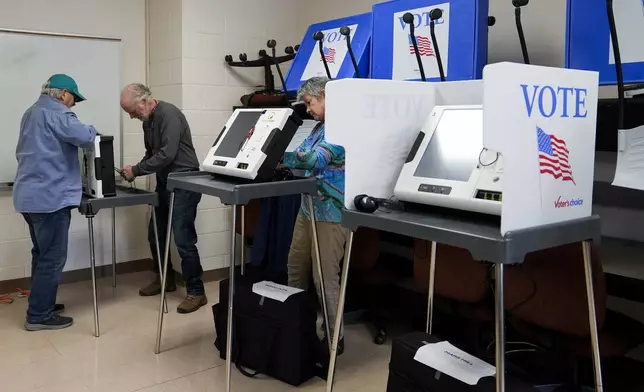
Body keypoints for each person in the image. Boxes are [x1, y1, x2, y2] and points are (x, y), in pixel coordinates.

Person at [14, 74, 97, 331]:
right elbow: (85, 137)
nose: (73, 104)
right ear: (62, 94)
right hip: (50, 199)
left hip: (28, 197)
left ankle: (43, 302)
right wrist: (93, 129)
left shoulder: (31, 112)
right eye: (73, 98)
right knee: (52, 257)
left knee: (41, 254)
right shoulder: (59, 114)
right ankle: (39, 315)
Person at [119, 83, 207, 314]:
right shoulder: (148, 120)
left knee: (183, 239)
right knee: (155, 235)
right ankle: (165, 280)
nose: (131, 116)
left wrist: (136, 170)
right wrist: (135, 169)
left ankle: (196, 292)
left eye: (132, 110)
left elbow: (167, 154)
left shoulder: (169, 114)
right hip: (165, 182)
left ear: (146, 101)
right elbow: (152, 154)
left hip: (185, 182)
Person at [284, 76, 348, 354]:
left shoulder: (344, 126)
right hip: (308, 207)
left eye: (310, 103)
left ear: (325, 95)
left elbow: (312, 159)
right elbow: (296, 156)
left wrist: (288, 152)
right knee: (295, 268)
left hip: (332, 212)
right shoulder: (317, 128)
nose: (308, 110)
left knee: (324, 279)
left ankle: (335, 338)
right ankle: (293, 326)